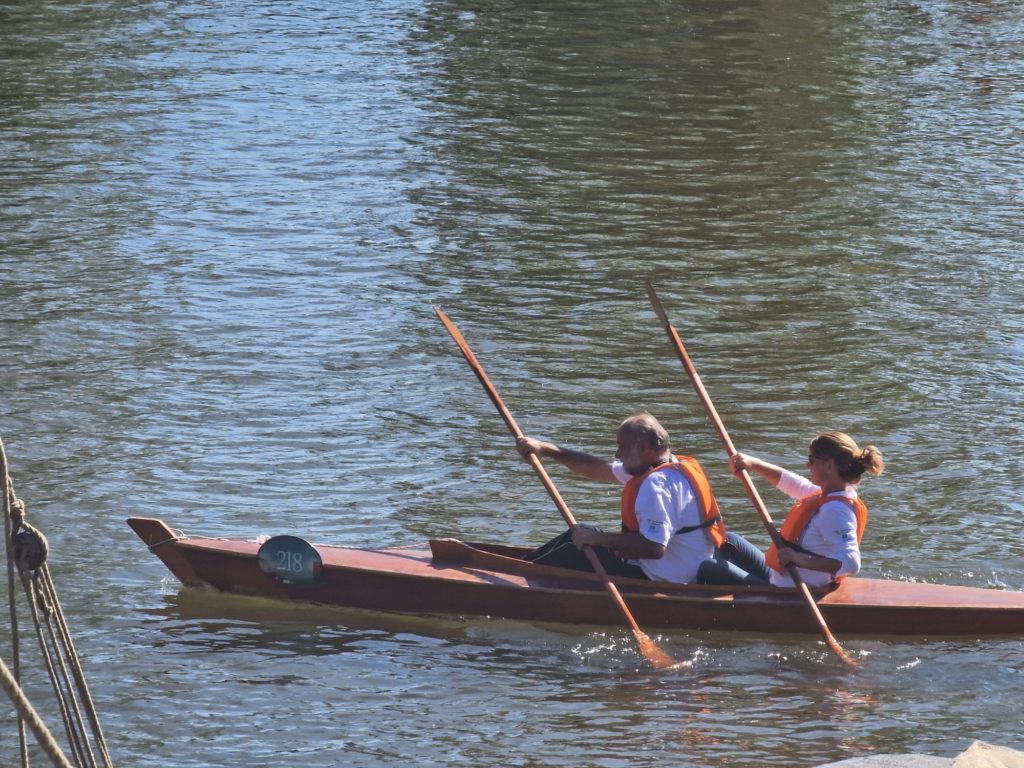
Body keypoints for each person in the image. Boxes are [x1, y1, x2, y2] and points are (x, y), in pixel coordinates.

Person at [515, 412, 727, 584]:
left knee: (574, 551)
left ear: (644, 448)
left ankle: (516, 581)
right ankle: (519, 567)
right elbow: (598, 469)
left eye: (622, 447)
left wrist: (597, 539)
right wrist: (546, 449)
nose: (617, 454)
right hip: (682, 565)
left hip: (663, 577)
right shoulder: (670, 467)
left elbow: (653, 548)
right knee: (579, 531)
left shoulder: (656, 485)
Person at [697, 431, 884, 588]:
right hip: (780, 576)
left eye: (812, 459)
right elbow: (794, 484)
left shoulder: (835, 510)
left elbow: (851, 563)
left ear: (829, 465)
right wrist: (753, 464)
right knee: (729, 541)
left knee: (708, 568)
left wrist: (798, 558)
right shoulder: (830, 493)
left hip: (791, 590)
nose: (807, 465)